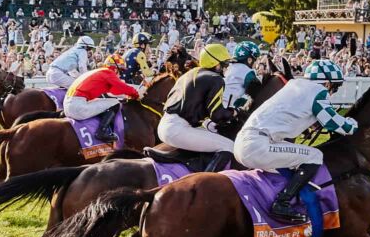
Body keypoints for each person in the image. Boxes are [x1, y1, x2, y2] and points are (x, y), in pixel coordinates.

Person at [233, 59, 358, 223]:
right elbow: (332, 122)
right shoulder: (318, 90)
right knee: (314, 155)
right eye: (335, 86)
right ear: (327, 83)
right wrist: (352, 124)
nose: (333, 91)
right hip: (258, 145)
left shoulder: (295, 85)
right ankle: (282, 203)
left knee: (296, 157)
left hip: (244, 142)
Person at [156, 43, 237, 172]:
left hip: (166, 125)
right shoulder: (216, 79)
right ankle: (206, 181)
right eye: (225, 64)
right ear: (215, 63)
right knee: (229, 146)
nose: (226, 67)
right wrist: (233, 112)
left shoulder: (190, 73)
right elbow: (216, 115)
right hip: (178, 129)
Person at [63, 54, 140, 142]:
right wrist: (136, 94)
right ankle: (101, 132)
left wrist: (128, 95)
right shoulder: (108, 72)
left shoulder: (99, 72)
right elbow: (121, 86)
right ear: (115, 68)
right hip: (77, 106)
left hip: (69, 105)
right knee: (115, 103)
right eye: (121, 71)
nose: (121, 74)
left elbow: (114, 91)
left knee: (106, 101)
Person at [223, 41, 261, 110]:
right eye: (256, 60)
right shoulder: (248, 72)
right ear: (249, 60)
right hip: (231, 109)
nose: (257, 63)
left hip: (222, 104)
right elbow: (257, 90)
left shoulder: (230, 67)